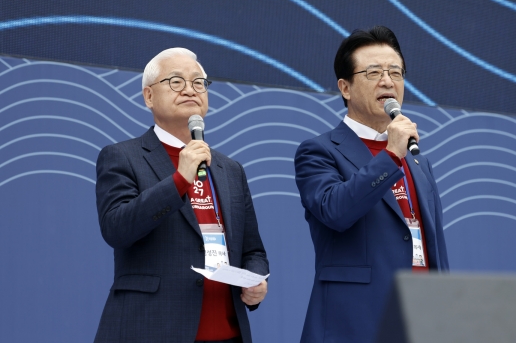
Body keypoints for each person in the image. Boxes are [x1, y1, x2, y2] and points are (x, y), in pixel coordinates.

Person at [94, 47, 269, 343]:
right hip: (150, 330)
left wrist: (256, 282)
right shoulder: (122, 156)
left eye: (198, 83)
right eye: (176, 82)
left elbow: (253, 251)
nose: (190, 90)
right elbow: (116, 229)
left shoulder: (230, 169)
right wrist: (179, 179)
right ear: (149, 96)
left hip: (227, 334)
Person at [294, 26, 449, 342]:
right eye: (374, 72)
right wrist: (390, 155)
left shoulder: (418, 160)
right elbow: (335, 210)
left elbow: (435, 248)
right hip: (354, 325)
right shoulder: (319, 151)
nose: (388, 81)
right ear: (345, 87)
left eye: (396, 72)